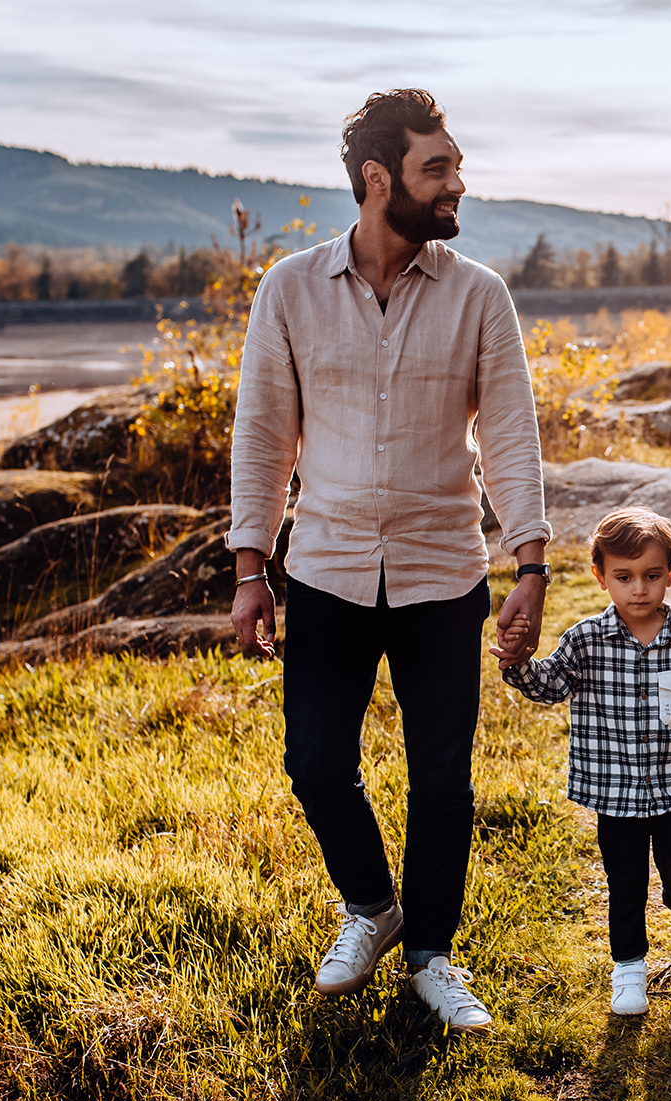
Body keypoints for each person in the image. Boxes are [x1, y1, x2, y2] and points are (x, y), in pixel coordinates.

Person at [228, 89, 552, 1031]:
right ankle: (372, 909)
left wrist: (529, 565)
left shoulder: (479, 295)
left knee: (441, 776)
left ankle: (432, 955)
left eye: (454, 164)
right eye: (437, 168)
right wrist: (253, 567)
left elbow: (513, 440)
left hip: (443, 572)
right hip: (325, 569)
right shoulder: (288, 290)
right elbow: (262, 439)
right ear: (379, 182)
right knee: (316, 762)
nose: (458, 183)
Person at [500, 507, 671, 1016]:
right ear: (601, 577)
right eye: (624, 577)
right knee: (625, 882)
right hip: (614, 792)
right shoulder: (585, 640)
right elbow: (550, 684)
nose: (639, 589)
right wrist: (517, 665)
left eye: (651, 576)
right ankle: (628, 967)